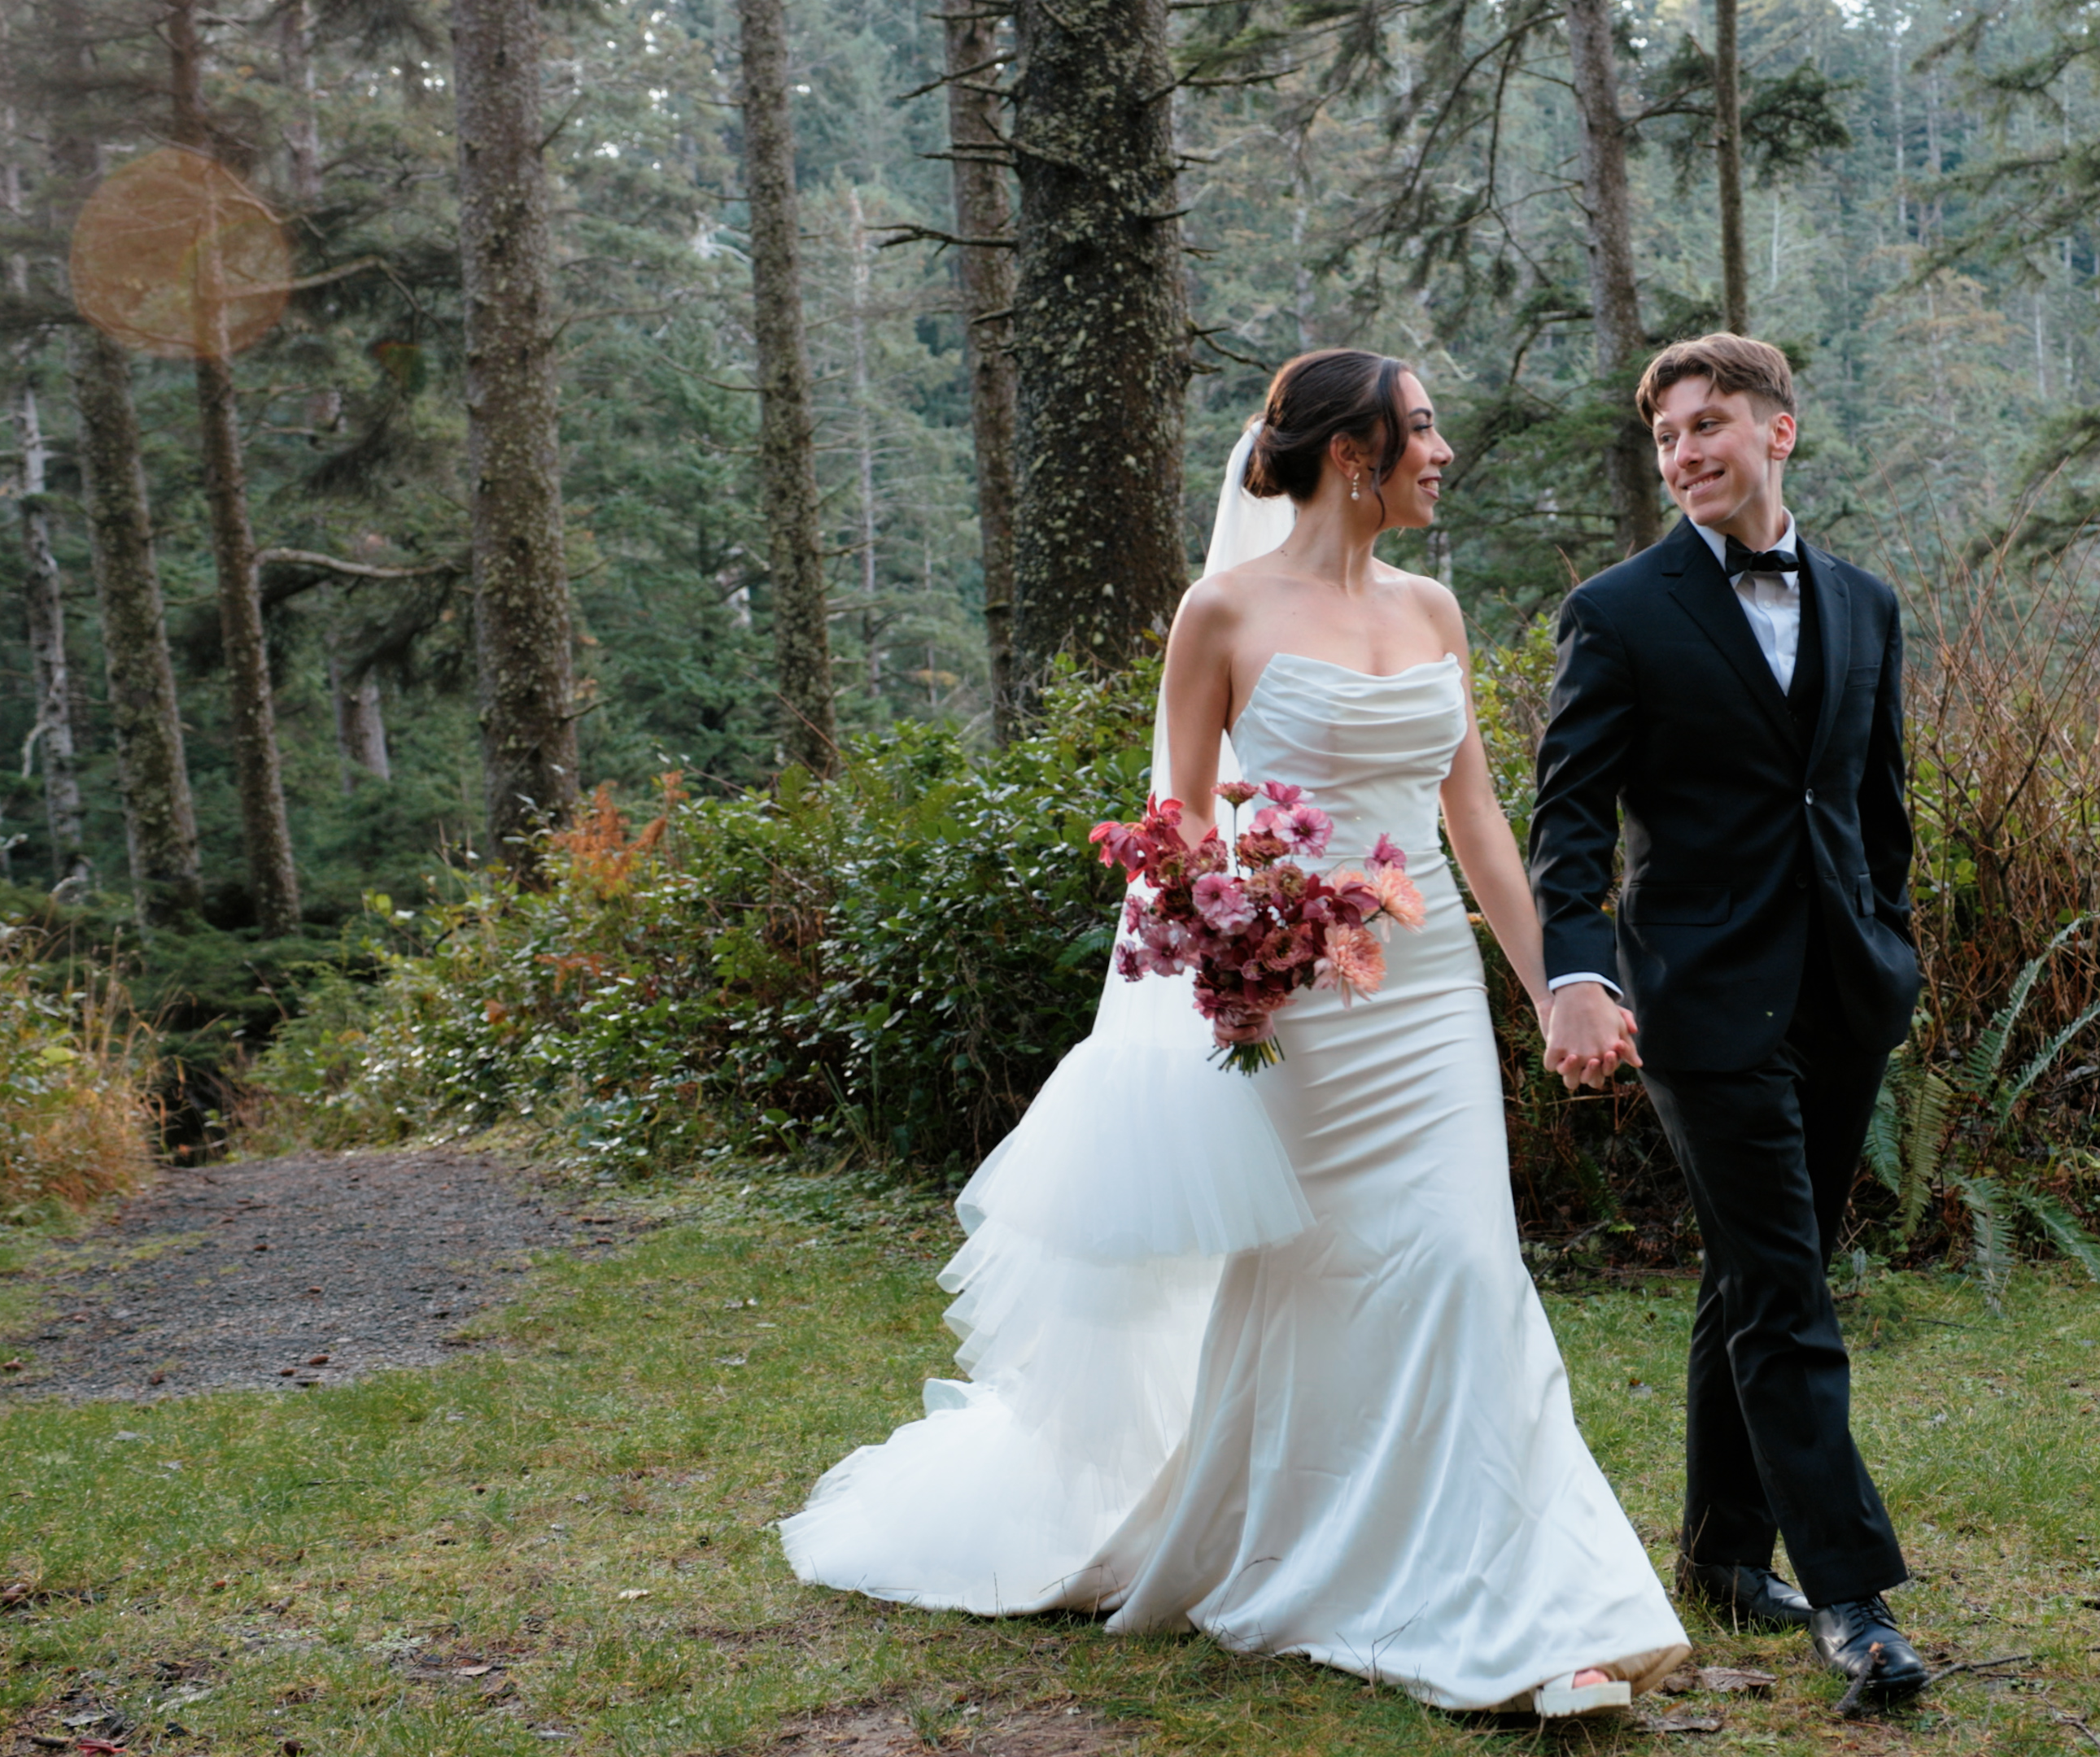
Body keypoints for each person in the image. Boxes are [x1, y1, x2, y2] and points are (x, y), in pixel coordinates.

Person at [781, 348, 1691, 1718]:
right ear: (1353, 454)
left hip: (1427, 989)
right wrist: (1247, 926)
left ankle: (1532, 1614)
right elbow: (1177, 835)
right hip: (1305, 1005)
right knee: (1308, 1284)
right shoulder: (1220, 615)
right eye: (1425, 430)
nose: (1445, 453)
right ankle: (1302, 1548)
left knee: (1460, 1268)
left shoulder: (1434, 609)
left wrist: (1557, 981)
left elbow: (1477, 823)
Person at [1529, 334, 1932, 1711]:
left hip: (1842, 994)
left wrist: (1891, 943)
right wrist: (1575, 971)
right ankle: (1851, 1595)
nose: (1685, 454)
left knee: (1760, 1272)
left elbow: (1879, 809)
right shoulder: (1620, 610)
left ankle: (1715, 1558)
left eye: (1709, 428)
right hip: (1698, 1001)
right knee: (1786, 1289)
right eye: (1665, 440)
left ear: (1780, 432)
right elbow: (1570, 815)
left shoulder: (1868, 605)